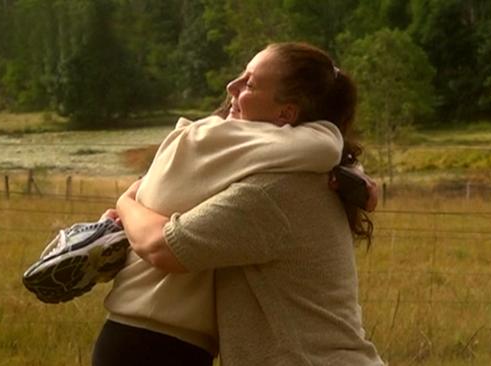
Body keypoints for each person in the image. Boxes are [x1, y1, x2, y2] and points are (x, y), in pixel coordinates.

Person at [95, 42, 384, 366]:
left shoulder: (273, 192)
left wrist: (125, 202)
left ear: (286, 113)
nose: (230, 86)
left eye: (250, 83)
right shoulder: (300, 174)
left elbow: (162, 246)